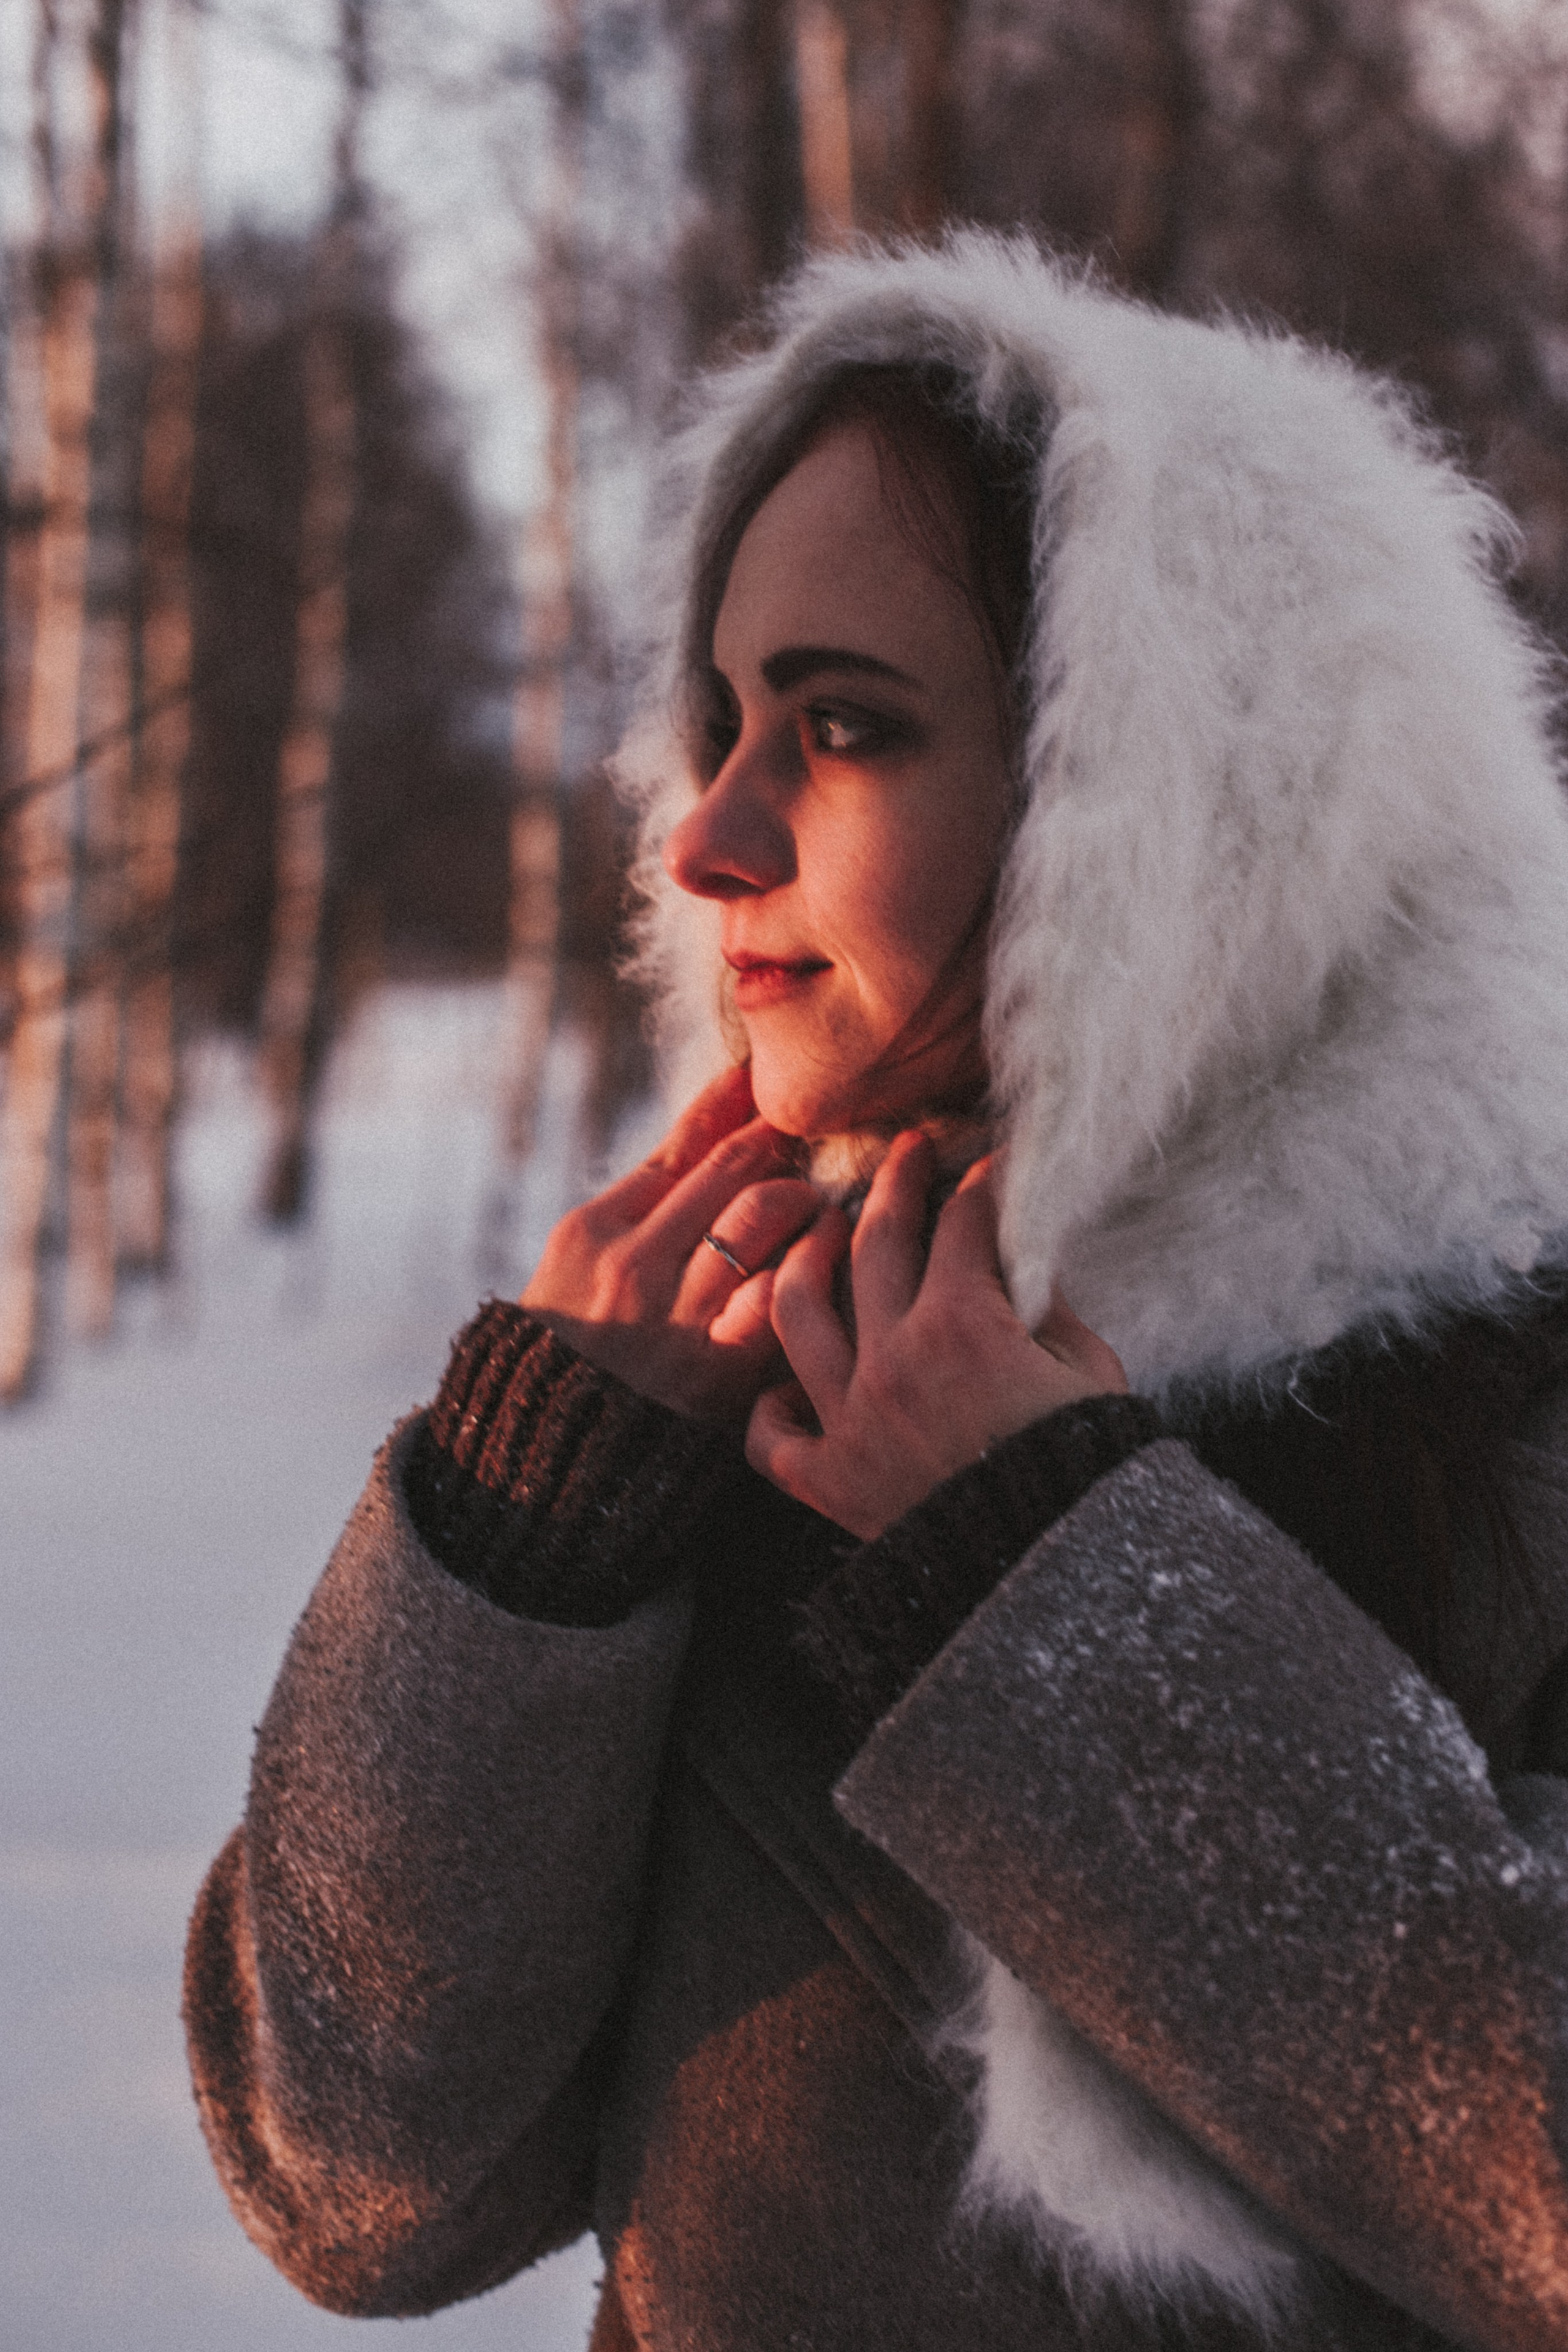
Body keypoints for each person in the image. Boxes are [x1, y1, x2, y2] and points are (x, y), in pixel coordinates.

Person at [184, 233, 1568, 2350]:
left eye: (843, 727)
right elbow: (350, 2185)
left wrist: (1062, 1585)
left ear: (1183, 811)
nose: (707, 838)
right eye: (720, 719)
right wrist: (517, 1540)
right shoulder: (730, 1385)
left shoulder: (1521, 1376)